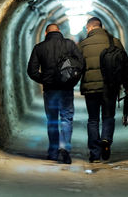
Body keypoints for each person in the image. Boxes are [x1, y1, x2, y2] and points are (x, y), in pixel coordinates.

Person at [27, 23, 84, 164]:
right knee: (66, 118)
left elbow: (32, 71)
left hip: (50, 89)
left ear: (46, 33)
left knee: (52, 120)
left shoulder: (39, 48)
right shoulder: (69, 44)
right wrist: (72, 79)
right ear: (59, 31)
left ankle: (53, 152)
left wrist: (45, 80)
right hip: (66, 88)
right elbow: (81, 64)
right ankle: (64, 147)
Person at [79, 17, 128, 163]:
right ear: (101, 27)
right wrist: (127, 86)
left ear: (89, 28)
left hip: (91, 89)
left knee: (93, 119)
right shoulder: (115, 42)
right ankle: (106, 140)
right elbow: (125, 64)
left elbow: (77, 67)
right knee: (108, 116)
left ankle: (95, 153)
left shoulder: (83, 45)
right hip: (111, 87)